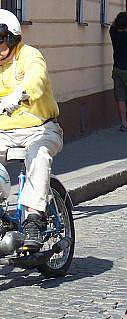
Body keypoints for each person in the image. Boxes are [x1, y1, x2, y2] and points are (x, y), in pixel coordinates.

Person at [0, 10, 63, 249]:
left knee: (38, 154)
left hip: (41, 129)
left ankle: (34, 220)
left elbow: (36, 80)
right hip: (4, 133)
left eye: (0, 39)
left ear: (13, 38)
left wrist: (18, 96)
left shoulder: (29, 55)